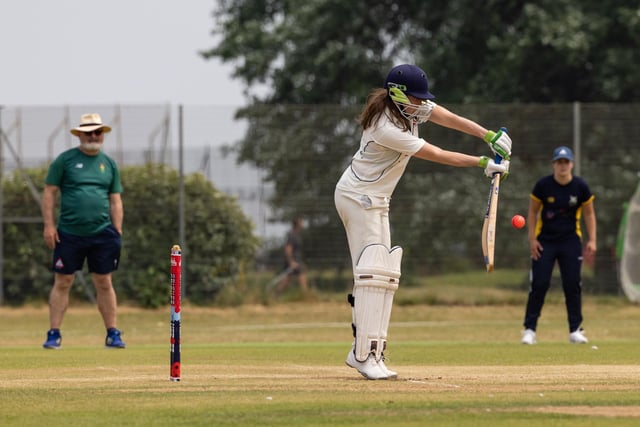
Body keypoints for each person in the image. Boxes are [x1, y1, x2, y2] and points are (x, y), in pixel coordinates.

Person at [334, 64, 512, 380]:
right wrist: (483, 162)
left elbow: (449, 118)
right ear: (398, 94)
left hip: (376, 199)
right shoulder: (385, 127)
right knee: (373, 275)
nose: (421, 103)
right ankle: (365, 354)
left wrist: (488, 135)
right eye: (416, 98)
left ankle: (367, 350)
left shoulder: (409, 109)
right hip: (358, 197)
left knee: (383, 274)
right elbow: (438, 153)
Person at [41, 113, 126, 349]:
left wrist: (117, 230)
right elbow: (49, 192)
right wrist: (49, 226)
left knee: (104, 281)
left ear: (102, 135)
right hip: (68, 233)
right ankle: (53, 333)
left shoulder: (108, 164)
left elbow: (115, 199)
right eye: (88, 132)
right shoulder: (65, 161)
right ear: (79, 134)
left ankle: (113, 333)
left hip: (102, 233)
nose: (93, 136)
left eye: (97, 132)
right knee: (63, 281)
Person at [521, 146, 597, 345]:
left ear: (571, 164)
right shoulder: (543, 186)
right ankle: (529, 330)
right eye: (559, 162)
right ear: (554, 164)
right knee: (539, 284)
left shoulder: (580, 187)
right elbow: (532, 213)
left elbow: (589, 214)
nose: (562, 166)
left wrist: (592, 240)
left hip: (570, 241)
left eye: (566, 162)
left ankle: (575, 330)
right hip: (545, 241)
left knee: (572, 285)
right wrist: (532, 240)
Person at [274, 217, 309, 297]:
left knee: (287, 279)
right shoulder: (292, 235)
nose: (303, 224)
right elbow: (288, 249)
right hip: (294, 261)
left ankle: (276, 295)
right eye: (301, 222)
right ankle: (306, 295)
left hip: (297, 260)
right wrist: (291, 262)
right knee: (302, 276)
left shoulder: (296, 234)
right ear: (297, 224)